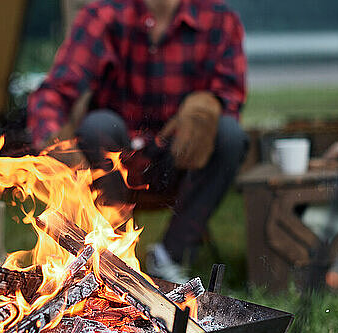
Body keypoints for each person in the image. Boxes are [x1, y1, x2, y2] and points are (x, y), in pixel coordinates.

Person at [25, 0, 249, 282]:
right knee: (98, 124)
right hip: (114, 162)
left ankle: (168, 256)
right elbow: (56, 90)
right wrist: (51, 140)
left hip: (183, 161)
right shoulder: (104, 14)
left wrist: (208, 105)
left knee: (230, 135)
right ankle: (115, 257)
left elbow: (231, 94)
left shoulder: (219, 18)